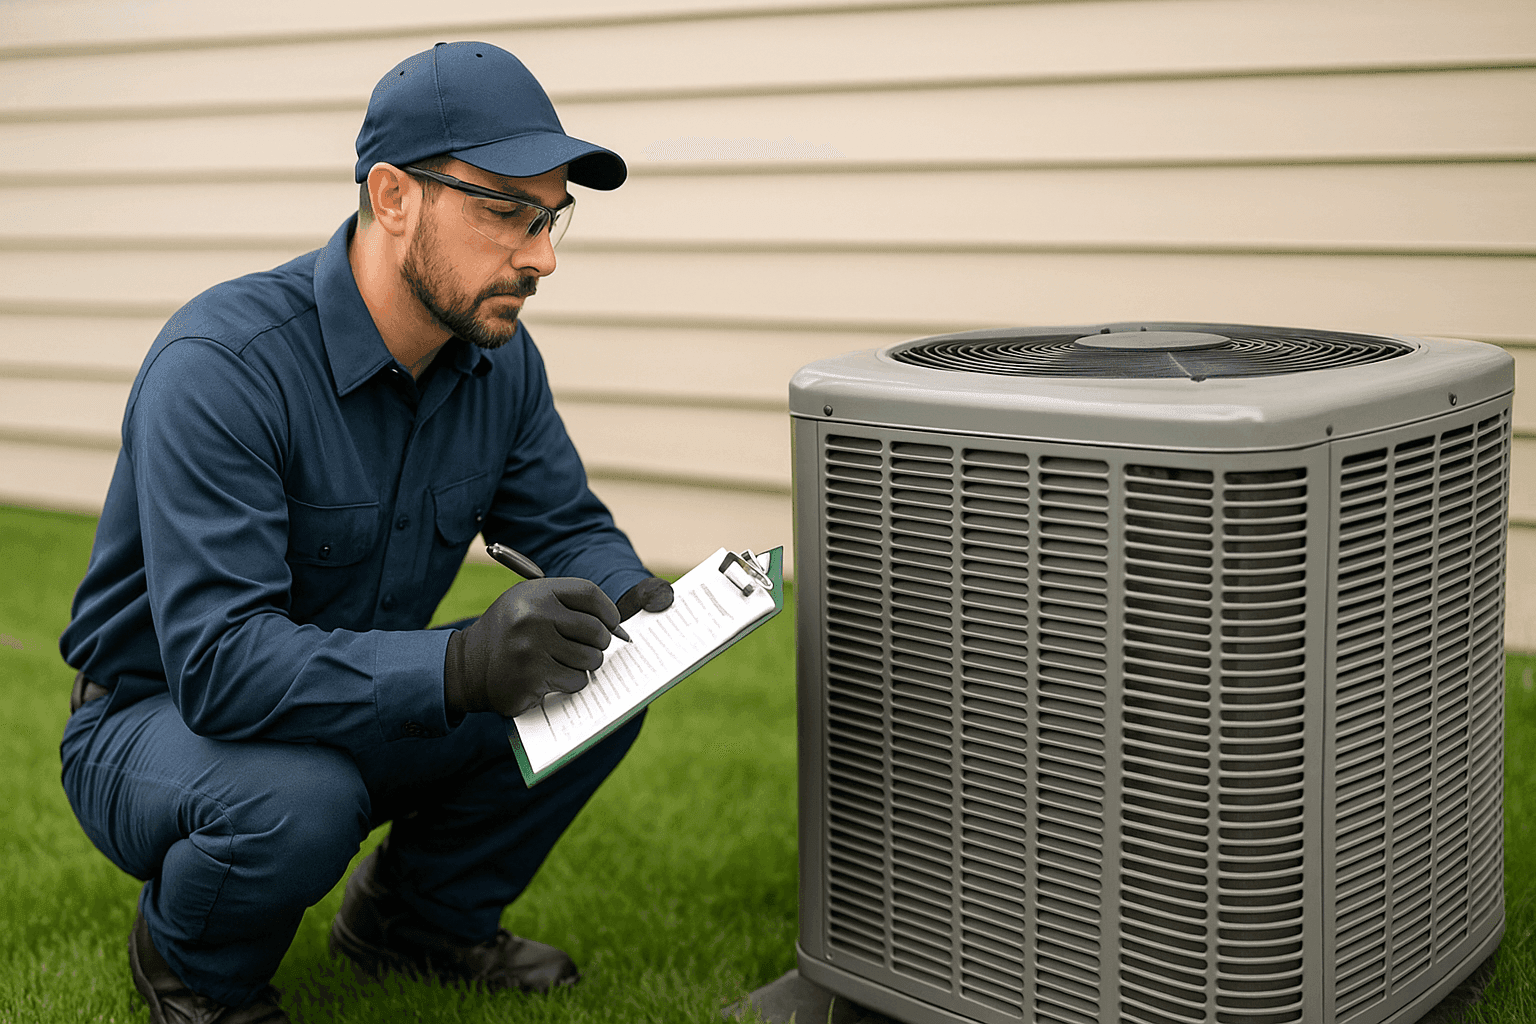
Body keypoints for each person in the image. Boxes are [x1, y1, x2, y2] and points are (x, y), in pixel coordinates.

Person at [57, 41, 675, 1024]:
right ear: (393, 198)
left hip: (354, 710)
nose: (542, 254)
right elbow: (219, 666)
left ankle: (415, 922)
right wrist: (462, 666)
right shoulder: (223, 367)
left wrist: (640, 599)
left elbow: (566, 525)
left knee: (599, 679)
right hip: (159, 720)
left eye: (552, 217)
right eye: (507, 212)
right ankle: (191, 969)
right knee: (298, 798)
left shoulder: (497, 359)